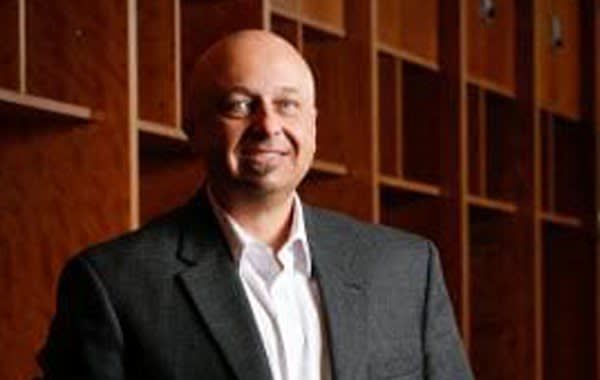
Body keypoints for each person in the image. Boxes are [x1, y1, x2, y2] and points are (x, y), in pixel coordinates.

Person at [38, 30, 473, 380]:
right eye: (240, 105)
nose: (268, 126)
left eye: (287, 104)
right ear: (194, 128)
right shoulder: (114, 283)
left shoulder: (407, 268)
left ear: (313, 126)